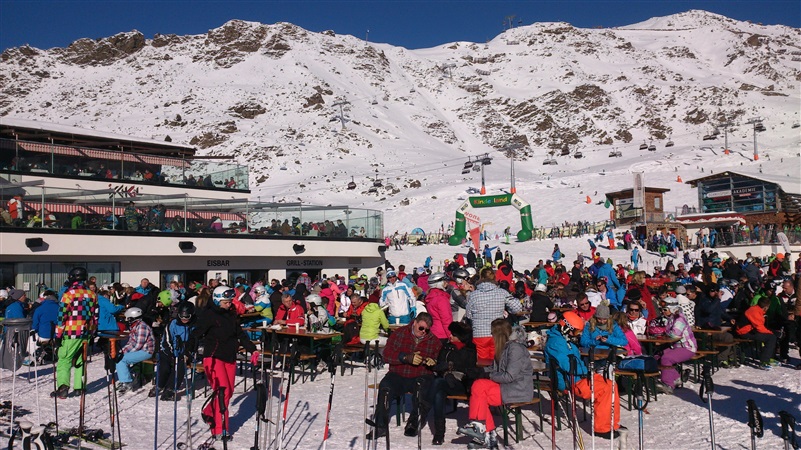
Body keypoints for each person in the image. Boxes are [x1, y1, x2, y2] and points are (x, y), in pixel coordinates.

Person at [190, 286, 259, 441]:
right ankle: (219, 428)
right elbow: (196, 333)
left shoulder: (231, 314)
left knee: (229, 391)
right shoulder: (209, 315)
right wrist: (189, 348)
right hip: (213, 357)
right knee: (223, 392)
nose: (229, 304)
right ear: (217, 301)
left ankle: (209, 412)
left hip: (229, 356)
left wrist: (252, 349)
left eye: (230, 301)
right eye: (226, 302)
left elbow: (240, 333)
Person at [544, 311, 626, 440]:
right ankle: (602, 428)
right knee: (604, 389)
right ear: (566, 327)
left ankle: (612, 423)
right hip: (569, 380)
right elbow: (569, 366)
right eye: (575, 331)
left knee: (611, 384)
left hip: (580, 375)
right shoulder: (556, 343)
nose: (576, 335)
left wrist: (586, 370)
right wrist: (586, 370)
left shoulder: (565, 339)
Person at [457, 319, 532, 449]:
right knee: (478, 387)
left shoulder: (515, 349)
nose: (491, 336)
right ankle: (486, 433)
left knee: (480, 389)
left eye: (492, 333)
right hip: (505, 386)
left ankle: (483, 430)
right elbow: (494, 369)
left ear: (499, 334)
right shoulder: (504, 347)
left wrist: (488, 375)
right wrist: (479, 372)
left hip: (518, 388)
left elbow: (509, 376)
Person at [366, 313, 442, 441]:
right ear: (415, 323)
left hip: (421, 375)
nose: (423, 332)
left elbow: (439, 363)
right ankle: (380, 425)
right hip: (398, 374)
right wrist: (405, 357)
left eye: (427, 330)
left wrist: (433, 362)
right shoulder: (399, 334)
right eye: (421, 328)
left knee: (422, 388)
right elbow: (386, 355)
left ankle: (414, 422)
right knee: (385, 387)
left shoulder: (434, 341)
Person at [426, 322, 477, 445]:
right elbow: (438, 365)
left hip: (461, 384)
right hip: (445, 381)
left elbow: (470, 370)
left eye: (454, 335)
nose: (450, 336)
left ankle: (424, 407)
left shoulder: (470, 350)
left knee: (438, 383)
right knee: (438, 394)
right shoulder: (447, 347)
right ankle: (439, 433)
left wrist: (452, 368)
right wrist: (443, 369)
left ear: (461, 337)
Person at [51, 267, 98, 399]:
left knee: (64, 359)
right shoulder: (92, 294)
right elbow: (95, 316)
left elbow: (61, 316)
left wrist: (58, 335)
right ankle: (79, 387)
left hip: (71, 332)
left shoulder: (69, 294)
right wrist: (92, 332)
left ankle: (63, 387)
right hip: (86, 332)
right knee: (81, 360)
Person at [464, 267, 522, 360]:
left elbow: (468, 315)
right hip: (497, 333)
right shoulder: (502, 293)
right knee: (498, 361)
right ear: (494, 278)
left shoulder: (473, 295)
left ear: (481, 278)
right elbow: (517, 307)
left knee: (482, 362)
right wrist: (507, 310)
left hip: (480, 334)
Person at [149, 302, 196, 400]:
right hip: (168, 350)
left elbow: (194, 341)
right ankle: (159, 385)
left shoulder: (193, 326)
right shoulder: (173, 324)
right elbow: (167, 340)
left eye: (187, 317)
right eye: (182, 316)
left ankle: (170, 389)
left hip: (183, 353)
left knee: (180, 368)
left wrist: (187, 353)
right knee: (165, 368)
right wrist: (171, 354)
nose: (184, 319)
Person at [654, 297, 697, 394]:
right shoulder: (671, 318)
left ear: (672, 309)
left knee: (666, 358)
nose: (663, 311)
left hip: (687, 348)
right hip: (675, 347)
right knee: (657, 356)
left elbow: (675, 335)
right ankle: (677, 378)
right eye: (662, 309)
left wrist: (663, 333)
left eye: (665, 309)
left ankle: (668, 384)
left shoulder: (679, 319)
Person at [115, 307, 155, 393]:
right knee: (119, 357)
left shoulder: (142, 327)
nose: (126, 321)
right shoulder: (135, 326)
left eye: (128, 319)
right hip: (140, 350)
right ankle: (125, 379)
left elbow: (138, 345)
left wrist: (123, 353)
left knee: (121, 360)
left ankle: (127, 382)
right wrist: (123, 350)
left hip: (146, 351)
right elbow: (131, 342)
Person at [735, 296, 778, 370]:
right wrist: (771, 332)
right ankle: (764, 361)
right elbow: (760, 328)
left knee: (771, 336)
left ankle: (768, 357)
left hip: (749, 330)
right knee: (771, 338)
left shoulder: (756, 309)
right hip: (744, 332)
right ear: (766, 307)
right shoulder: (755, 311)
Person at [425, 273, 453, 343]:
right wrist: (450, 334)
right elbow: (446, 319)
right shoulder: (441, 298)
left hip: (433, 331)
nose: (446, 283)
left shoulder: (430, 296)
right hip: (442, 333)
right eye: (444, 282)